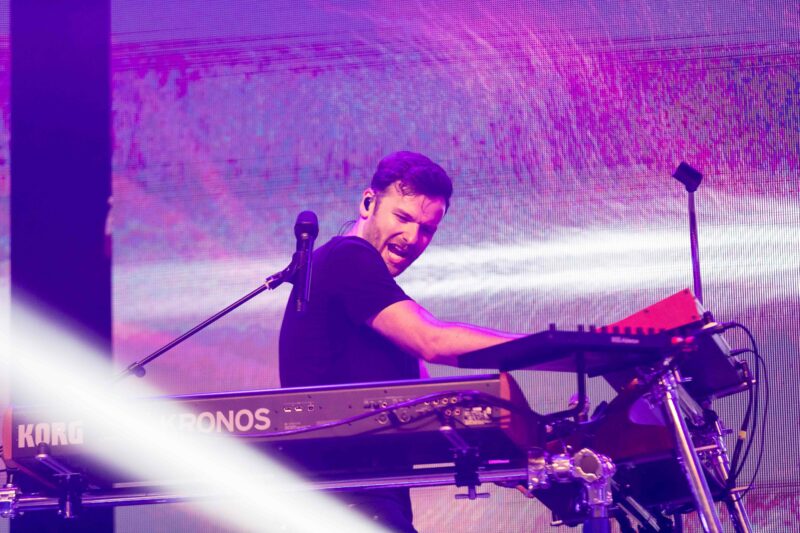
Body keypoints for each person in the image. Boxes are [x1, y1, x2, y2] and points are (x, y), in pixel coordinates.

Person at [279, 151, 520, 532]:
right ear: (368, 203)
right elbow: (431, 340)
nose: (412, 238)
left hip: (363, 497)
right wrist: (551, 348)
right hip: (347, 498)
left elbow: (426, 404)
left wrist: (500, 449)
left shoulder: (369, 301)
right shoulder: (349, 258)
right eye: (403, 218)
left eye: (427, 229)